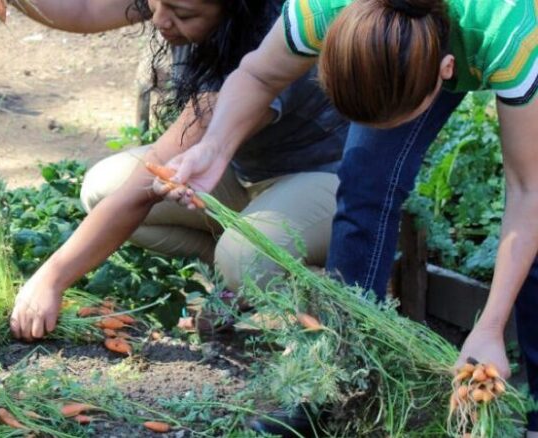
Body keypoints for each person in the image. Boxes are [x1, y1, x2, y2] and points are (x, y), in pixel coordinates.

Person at [161, 0, 538, 433]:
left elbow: (528, 191)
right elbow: (258, 73)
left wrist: (489, 326)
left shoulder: (508, 31)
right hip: (402, 39)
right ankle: (336, 387)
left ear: (447, 69)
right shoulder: (321, 9)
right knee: (364, 176)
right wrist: (214, 147)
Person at [0, 0, 349, 342]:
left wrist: (51, 279)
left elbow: (140, 191)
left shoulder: (271, 42)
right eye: (156, 2)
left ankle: (318, 304)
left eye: (183, 14)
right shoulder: (178, 3)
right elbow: (83, 9)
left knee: (244, 258)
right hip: (239, 172)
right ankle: (237, 279)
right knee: (102, 188)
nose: (160, 19)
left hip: (325, 181)